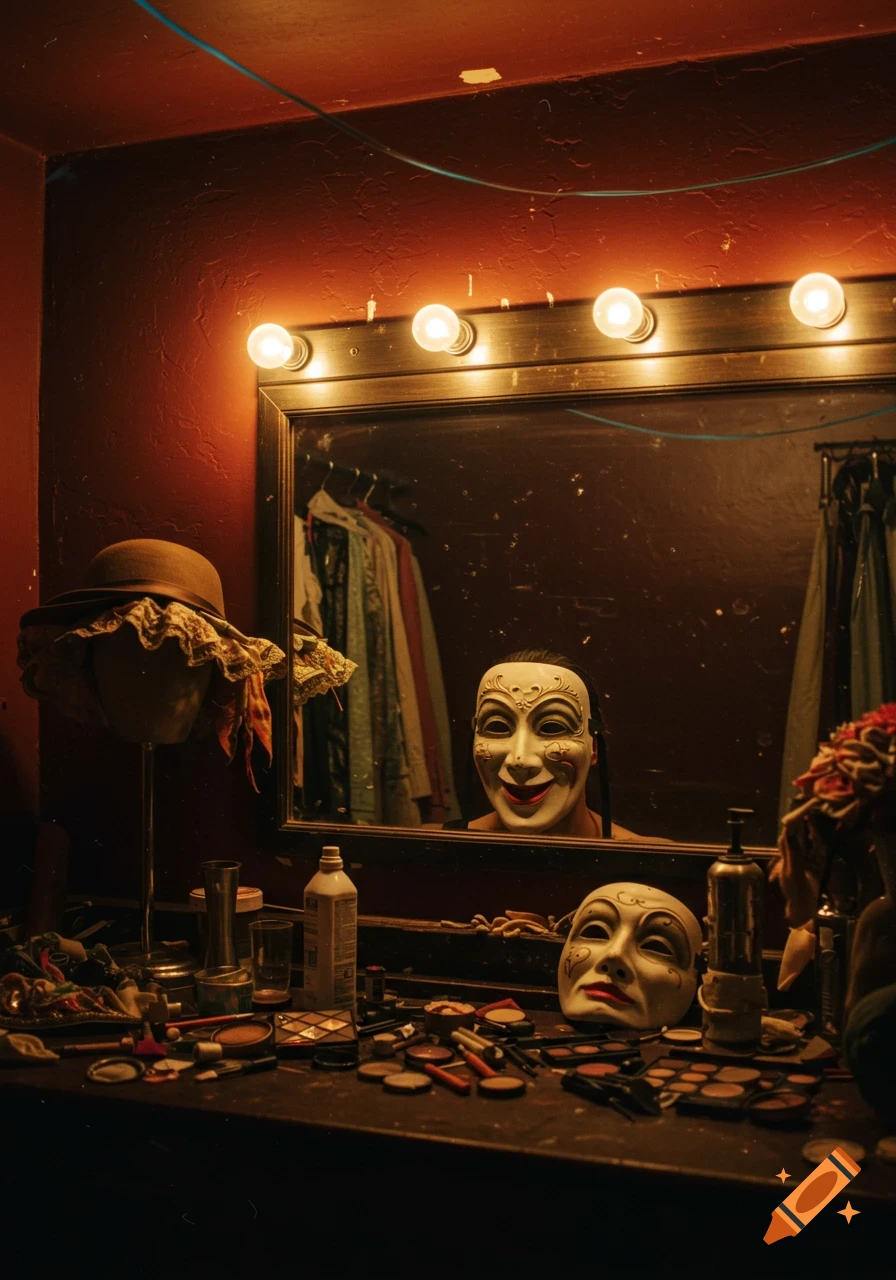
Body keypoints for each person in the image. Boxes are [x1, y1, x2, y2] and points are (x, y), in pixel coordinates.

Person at [445, 648, 639, 838]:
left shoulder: (649, 860)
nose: (519, 761)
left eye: (552, 728)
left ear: (594, 748)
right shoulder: (430, 849)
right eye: (497, 726)